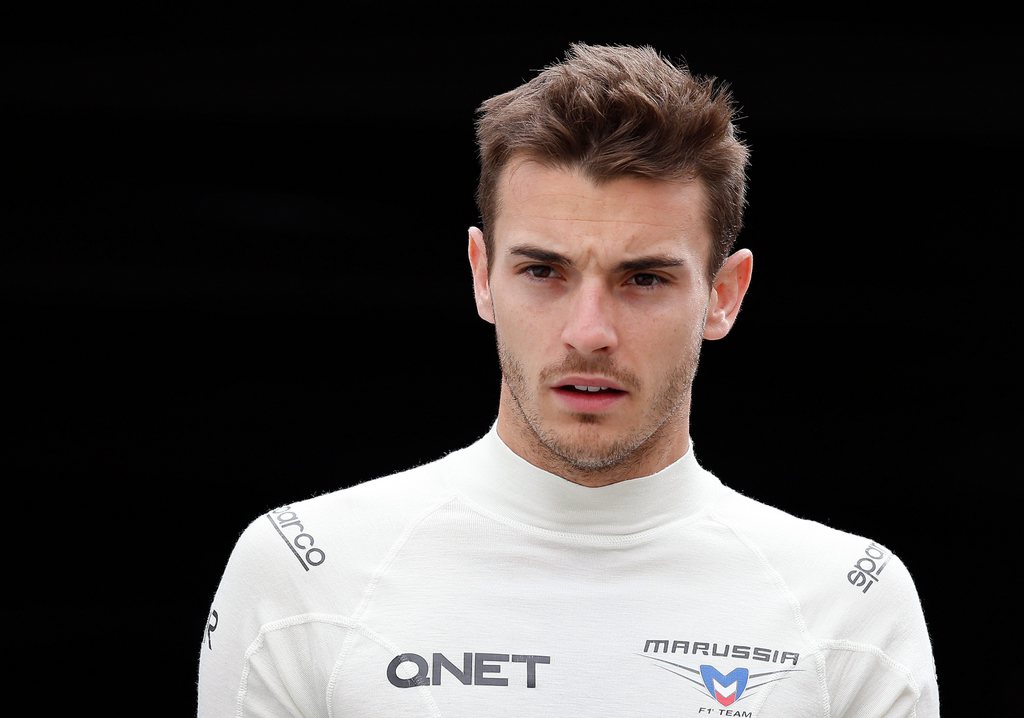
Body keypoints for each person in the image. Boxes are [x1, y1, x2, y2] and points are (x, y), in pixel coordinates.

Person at [196, 42, 939, 716]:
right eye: (543, 271)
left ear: (724, 295)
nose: (590, 331)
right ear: (482, 277)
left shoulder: (850, 604)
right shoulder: (303, 573)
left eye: (644, 278)